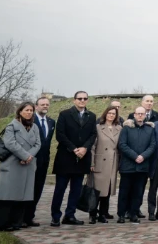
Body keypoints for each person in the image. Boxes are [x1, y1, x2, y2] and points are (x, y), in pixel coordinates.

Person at [0, 102, 41, 232]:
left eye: (31, 110)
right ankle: (3, 223)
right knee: (7, 194)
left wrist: (29, 157)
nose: (29, 112)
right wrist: (24, 156)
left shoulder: (34, 127)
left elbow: (38, 143)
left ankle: (16, 222)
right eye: (27, 110)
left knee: (22, 195)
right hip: (13, 164)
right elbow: (10, 143)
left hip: (28, 165)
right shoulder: (11, 126)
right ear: (20, 111)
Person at [50, 91, 97, 227]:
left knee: (76, 190)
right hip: (66, 157)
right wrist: (73, 148)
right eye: (79, 98)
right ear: (74, 100)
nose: (82, 100)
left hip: (82, 158)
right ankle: (55, 216)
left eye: (85, 98)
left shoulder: (92, 116)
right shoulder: (64, 114)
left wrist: (84, 148)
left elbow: (93, 134)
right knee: (60, 189)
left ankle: (70, 215)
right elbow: (60, 134)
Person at [115, 106, 156, 223]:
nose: (140, 115)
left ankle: (134, 213)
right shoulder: (127, 128)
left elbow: (152, 145)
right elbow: (122, 144)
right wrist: (135, 156)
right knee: (124, 191)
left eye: (142, 114)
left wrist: (143, 156)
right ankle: (121, 214)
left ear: (145, 115)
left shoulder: (149, 129)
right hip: (128, 166)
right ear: (134, 114)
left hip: (142, 167)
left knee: (138, 192)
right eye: (138, 113)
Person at [88, 105, 121, 224]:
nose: (111, 115)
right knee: (96, 191)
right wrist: (91, 162)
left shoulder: (119, 128)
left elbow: (119, 146)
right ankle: (92, 214)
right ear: (105, 114)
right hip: (99, 162)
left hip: (112, 163)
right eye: (109, 113)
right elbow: (92, 147)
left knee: (106, 191)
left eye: (113, 114)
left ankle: (102, 214)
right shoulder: (98, 127)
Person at [25, 96, 55, 228]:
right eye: (42, 104)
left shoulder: (51, 122)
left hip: (44, 161)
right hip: (30, 159)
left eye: (47, 104)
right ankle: (21, 217)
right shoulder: (29, 120)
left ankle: (30, 216)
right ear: (36, 106)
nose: (45, 106)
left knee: (38, 189)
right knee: (27, 188)